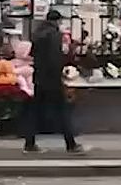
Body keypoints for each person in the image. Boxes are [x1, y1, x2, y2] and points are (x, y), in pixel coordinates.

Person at [23, 10, 85, 154]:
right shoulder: (54, 35)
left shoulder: (37, 34)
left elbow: (33, 54)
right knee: (62, 111)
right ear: (57, 21)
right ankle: (71, 144)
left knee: (35, 111)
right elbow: (54, 58)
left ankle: (29, 143)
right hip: (51, 80)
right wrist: (60, 73)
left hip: (39, 78)